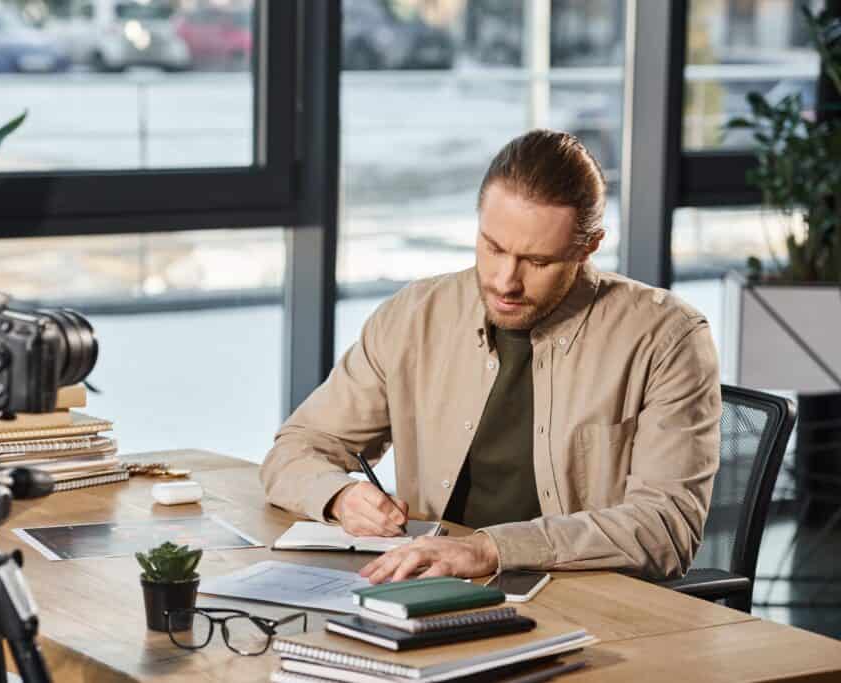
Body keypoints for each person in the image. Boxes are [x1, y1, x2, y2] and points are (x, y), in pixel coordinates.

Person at [260, 129, 721, 584]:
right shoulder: (415, 316)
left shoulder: (667, 338)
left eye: (538, 261)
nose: (506, 281)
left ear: (588, 247)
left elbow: (665, 529)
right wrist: (340, 496)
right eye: (493, 247)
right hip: (432, 585)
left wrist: (490, 550)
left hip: (588, 601)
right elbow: (295, 449)